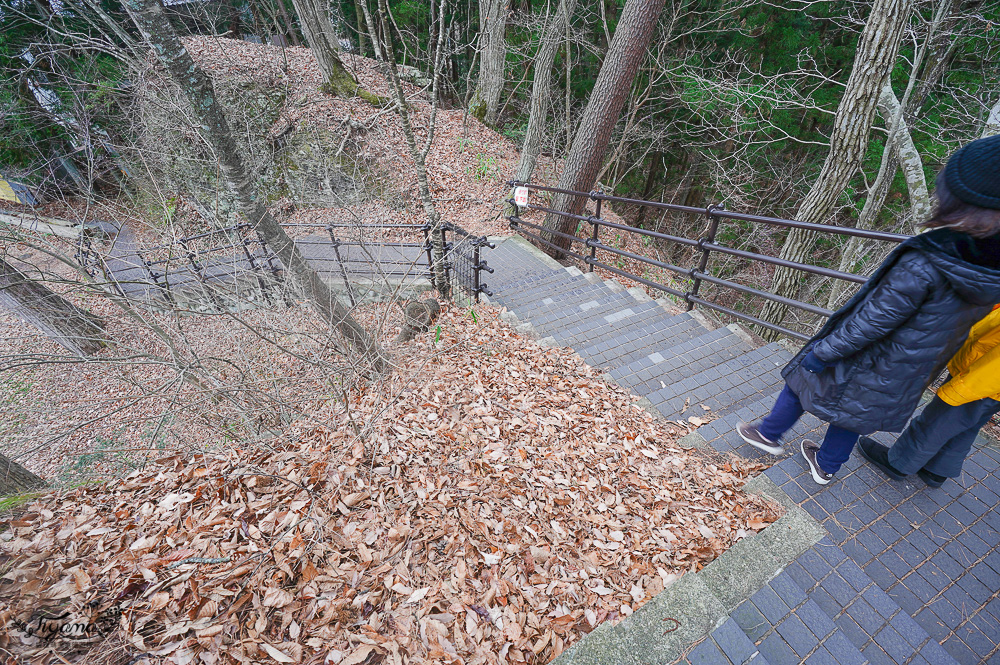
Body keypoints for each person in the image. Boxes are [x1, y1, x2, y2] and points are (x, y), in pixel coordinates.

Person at [737, 134, 1000, 485]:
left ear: (961, 198)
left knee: (804, 377)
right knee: (856, 414)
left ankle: (768, 434)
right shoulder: (990, 268)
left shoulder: (929, 260)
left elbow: (874, 319)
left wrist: (824, 351)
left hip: (870, 353)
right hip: (913, 365)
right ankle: (827, 466)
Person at [856, 307, 1000, 487]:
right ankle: (937, 470)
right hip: (987, 376)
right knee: (969, 423)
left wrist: (967, 385)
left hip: (981, 375)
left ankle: (898, 463)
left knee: (940, 418)